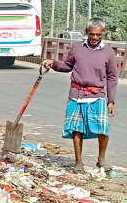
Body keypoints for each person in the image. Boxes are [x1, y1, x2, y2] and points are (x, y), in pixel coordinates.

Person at [42, 18, 117, 173]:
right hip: (77, 94)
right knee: (77, 129)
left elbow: (112, 77)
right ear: (86, 33)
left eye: (98, 34)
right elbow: (67, 66)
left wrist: (111, 101)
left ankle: (101, 159)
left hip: (97, 95)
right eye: (92, 34)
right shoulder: (77, 48)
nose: (95, 37)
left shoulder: (108, 52)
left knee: (103, 129)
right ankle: (78, 162)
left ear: (103, 33)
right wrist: (53, 63)